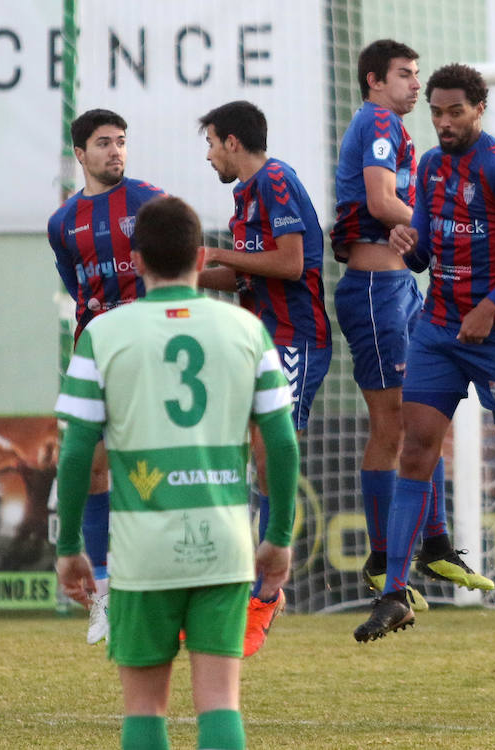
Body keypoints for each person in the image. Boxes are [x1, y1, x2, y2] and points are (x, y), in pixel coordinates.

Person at [54, 195, 298, 750]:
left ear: (135, 259)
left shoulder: (104, 334)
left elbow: (75, 453)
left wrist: (70, 545)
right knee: (219, 703)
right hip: (224, 544)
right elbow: (280, 443)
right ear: (201, 256)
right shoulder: (246, 329)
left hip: (142, 551)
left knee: (144, 709)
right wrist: (278, 536)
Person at [355, 63, 495, 667]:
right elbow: (426, 250)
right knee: (416, 448)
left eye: (456, 111)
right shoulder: (429, 166)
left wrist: (490, 305)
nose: (445, 122)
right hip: (437, 330)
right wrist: (411, 246)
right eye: (437, 112)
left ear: (479, 108)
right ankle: (396, 591)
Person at [330, 39, 467, 610]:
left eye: (416, 75)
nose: (416, 84)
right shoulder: (379, 121)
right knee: (393, 427)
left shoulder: (391, 125)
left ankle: (430, 541)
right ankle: (385, 558)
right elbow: (383, 201)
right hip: (374, 291)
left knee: (422, 415)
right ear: (374, 80)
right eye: (405, 75)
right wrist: (442, 229)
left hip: (398, 288)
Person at [196, 100, 332, 656]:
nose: (208, 156)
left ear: (231, 142)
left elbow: (291, 263)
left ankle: (267, 593)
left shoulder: (276, 180)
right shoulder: (243, 195)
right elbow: (245, 276)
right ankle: (244, 586)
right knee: (246, 454)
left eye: (210, 144)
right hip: (260, 341)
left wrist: (214, 252)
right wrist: (185, 274)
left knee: (268, 449)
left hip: (296, 339)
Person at [47, 108, 166, 645]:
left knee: (153, 461)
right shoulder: (62, 222)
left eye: (121, 141)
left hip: (151, 344)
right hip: (95, 349)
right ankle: (105, 594)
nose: (115, 151)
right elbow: (78, 288)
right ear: (80, 154)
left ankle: (165, 584)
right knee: (92, 466)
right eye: (103, 143)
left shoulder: (149, 200)